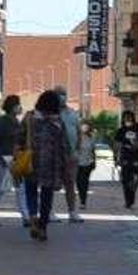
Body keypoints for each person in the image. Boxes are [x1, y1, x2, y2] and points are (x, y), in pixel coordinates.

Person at [21, 90, 70, 242]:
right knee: (47, 195)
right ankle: (43, 227)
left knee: (30, 191)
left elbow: (19, 136)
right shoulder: (58, 122)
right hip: (51, 163)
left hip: (31, 160)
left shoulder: (30, 117)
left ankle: (33, 216)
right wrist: (65, 165)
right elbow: (64, 145)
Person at [0, 95, 30, 227]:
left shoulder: (15, 121)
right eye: (18, 105)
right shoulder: (3, 122)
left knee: (20, 188)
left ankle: (25, 217)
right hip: (4, 158)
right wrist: (1, 156)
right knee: (2, 189)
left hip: (14, 158)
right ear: (12, 107)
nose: (20, 107)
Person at [55, 86, 84, 223]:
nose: (61, 96)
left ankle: (72, 212)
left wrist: (77, 151)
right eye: (58, 94)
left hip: (71, 155)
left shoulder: (72, 113)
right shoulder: (51, 113)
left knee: (70, 184)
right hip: (54, 156)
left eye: (63, 94)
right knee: (51, 184)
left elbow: (78, 132)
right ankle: (48, 212)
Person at [114, 111, 138, 209]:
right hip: (125, 157)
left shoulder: (137, 128)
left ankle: (132, 196)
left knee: (134, 180)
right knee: (125, 180)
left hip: (136, 157)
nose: (128, 119)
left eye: (129, 117)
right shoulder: (121, 130)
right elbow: (117, 143)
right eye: (126, 117)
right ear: (123, 119)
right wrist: (115, 157)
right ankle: (128, 201)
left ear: (133, 118)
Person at [76, 121, 97, 210]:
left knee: (84, 182)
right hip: (77, 162)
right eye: (83, 126)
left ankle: (83, 201)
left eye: (86, 126)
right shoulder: (76, 137)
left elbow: (93, 150)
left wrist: (94, 161)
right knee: (78, 182)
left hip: (87, 163)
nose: (84, 128)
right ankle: (81, 196)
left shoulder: (91, 138)